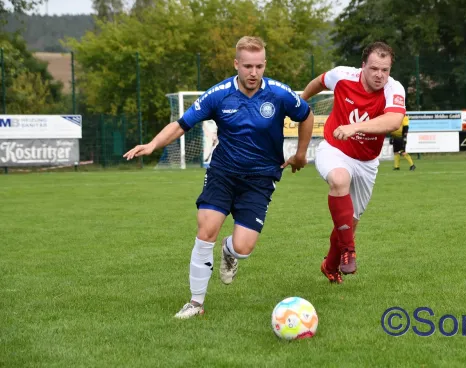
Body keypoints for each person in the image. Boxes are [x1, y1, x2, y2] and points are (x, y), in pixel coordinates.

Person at [123, 36, 314, 318]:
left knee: (243, 247)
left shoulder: (279, 93)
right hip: (223, 173)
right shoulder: (219, 94)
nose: (253, 72)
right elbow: (181, 124)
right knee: (206, 229)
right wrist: (153, 145)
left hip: (261, 178)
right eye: (247, 66)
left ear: (265, 65)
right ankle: (195, 303)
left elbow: (306, 115)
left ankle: (229, 251)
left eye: (259, 66)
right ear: (236, 64)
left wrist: (300, 153)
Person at [300, 41, 406, 284]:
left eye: (385, 70)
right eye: (374, 69)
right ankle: (349, 249)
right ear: (363, 67)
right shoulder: (342, 75)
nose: (380, 75)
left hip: (368, 161)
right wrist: (302, 100)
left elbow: (393, 121)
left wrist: (354, 127)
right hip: (334, 148)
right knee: (339, 180)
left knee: (350, 222)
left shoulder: (394, 88)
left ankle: (330, 265)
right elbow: (319, 81)